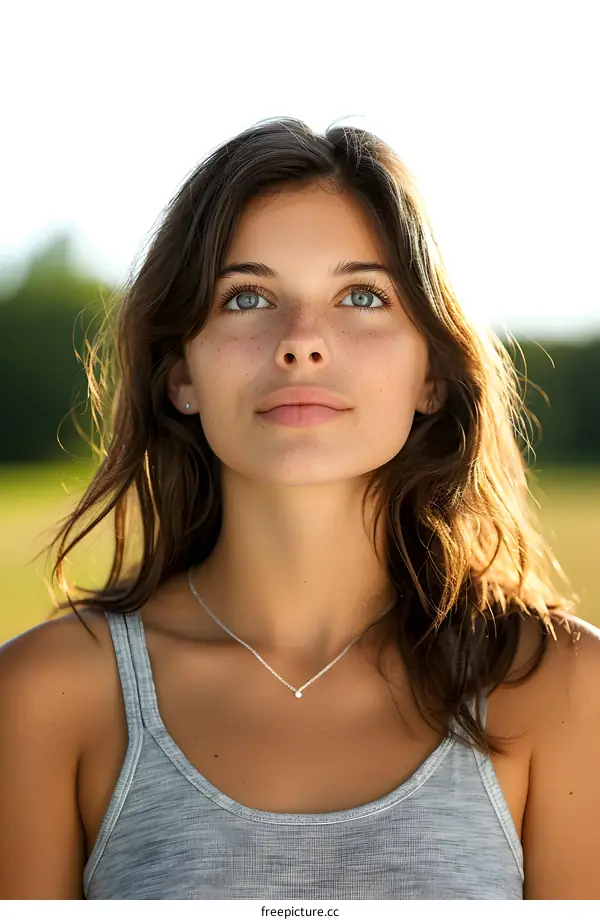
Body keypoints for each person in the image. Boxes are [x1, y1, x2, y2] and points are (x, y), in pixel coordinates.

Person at [1, 117, 599, 901]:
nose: (302, 342)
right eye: (247, 297)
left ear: (432, 375)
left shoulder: (560, 686)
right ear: (180, 373)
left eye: (362, 295)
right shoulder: (47, 696)